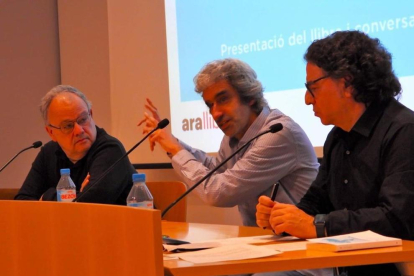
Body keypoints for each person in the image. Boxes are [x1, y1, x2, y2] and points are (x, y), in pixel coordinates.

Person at [140, 59, 331, 276]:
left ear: (249, 96)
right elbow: (215, 171)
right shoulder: (234, 137)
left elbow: (218, 192)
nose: (216, 113)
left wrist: (174, 149)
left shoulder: (278, 133)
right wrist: (171, 141)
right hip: (265, 249)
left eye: (223, 100)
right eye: (210, 105)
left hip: (305, 260)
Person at [256, 30, 414, 276]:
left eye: (312, 87)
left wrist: (317, 225)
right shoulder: (337, 137)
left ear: (347, 83)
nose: (308, 99)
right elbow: (317, 202)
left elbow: (396, 219)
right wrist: (283, 218)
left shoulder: (405, 131)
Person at [15, 85, 135, 204]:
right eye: (68, 126)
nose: (79, 131)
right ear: (51, 132)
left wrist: (46, 196)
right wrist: (77, 196)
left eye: (83, 119)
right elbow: (22, 202)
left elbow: (90, 205)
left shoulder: (111, 150)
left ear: (91, 115)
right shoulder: (48, 153)